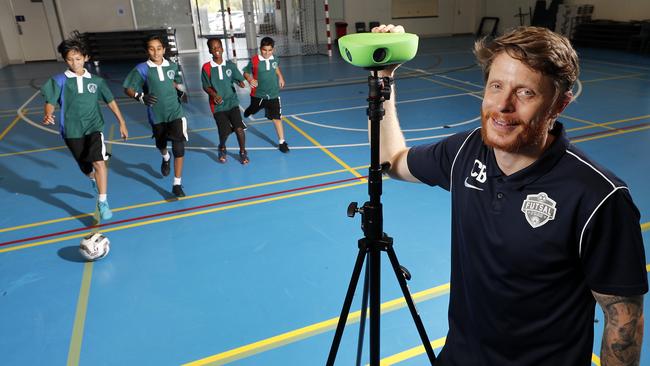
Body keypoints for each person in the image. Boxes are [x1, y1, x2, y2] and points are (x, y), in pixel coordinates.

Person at [372, 24, 647, 365]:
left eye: (525, 93)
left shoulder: (599, 198)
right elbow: (391, 161)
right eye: (496, 86)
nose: (502, 105)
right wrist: (384, 78)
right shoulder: (465, 152)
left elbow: (623, 322)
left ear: (559, 104)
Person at [41, 36, 128, 222]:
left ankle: (103, 201)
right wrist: (48, 113)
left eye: (78, 58)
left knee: (99, 161)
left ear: (86, 58)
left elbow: (110, 101)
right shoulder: (59, 80)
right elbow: (50, 101)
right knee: (86, 167)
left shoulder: (97, 81)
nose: (75, 63)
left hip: (94, 127)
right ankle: (91, 177)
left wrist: (121, 122)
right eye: (70, 59)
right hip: (71, 131)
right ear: (65, 60)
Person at [123, 35, 189, 197]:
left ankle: (177, 184)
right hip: (157, 114)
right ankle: (165, 157)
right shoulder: (142, 68)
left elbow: (176, 82)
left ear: (164, 50)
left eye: (159, 48)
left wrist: (180, 91)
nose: (156, 52)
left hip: (176, 112)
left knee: (179, 147)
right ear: (147, 51)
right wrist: (139, 96)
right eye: (151, 49)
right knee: (161, 144)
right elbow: (127, 88)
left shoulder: (172, 66)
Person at [201, 37, 249, 164]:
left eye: (218, 47)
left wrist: (241, 83)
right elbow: (206, 86)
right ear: (210, 51)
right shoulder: (206, 68)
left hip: (232, 102)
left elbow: (238, 79)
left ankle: (243, 152)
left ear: (222, 49)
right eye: (213, 48)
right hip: (218, 106)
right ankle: (222, 147)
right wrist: (214, 94)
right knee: (225, 132)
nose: (216, 50)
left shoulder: (230, 66)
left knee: (239, 128)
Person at [242, 36, 289, 153]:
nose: (267, 53)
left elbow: (276, 67)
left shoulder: (275, 59)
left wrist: (280, 77)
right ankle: (250, 110)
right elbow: (246, 72)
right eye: (264, 50)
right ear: (260, 49)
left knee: (277, 118)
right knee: (252, 110)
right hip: (258, 95)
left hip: (273, 95)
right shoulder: (254, 60)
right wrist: (249, 79)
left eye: (269, 50)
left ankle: (282, 142)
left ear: (273, 50)